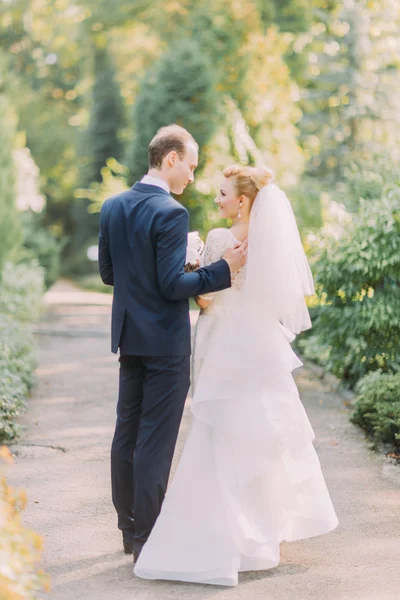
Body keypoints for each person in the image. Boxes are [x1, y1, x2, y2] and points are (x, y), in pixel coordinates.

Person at [134, 164, 338, 586]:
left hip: (224, 341)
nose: (217, 200)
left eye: (223, 193)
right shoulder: (267, 241)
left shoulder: (220, 239)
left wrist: (193, 269)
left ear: (242, 200)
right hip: (259, 345)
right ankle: (261, 539)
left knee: (220, 434)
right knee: (258, 435)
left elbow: (207, 299)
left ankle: (220, 534)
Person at [98, 125, 247, 562]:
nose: (192, 177)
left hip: (129, 337)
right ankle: (148, 537)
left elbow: (111, 275)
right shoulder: (170, 212)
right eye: (191, 166)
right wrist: (222, 270)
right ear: (170, 159)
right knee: (155, 440)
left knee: (126, 433)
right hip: (164, 341)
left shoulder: (112, 207)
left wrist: (166, 267)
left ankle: (128, 529)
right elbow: (170, 286)